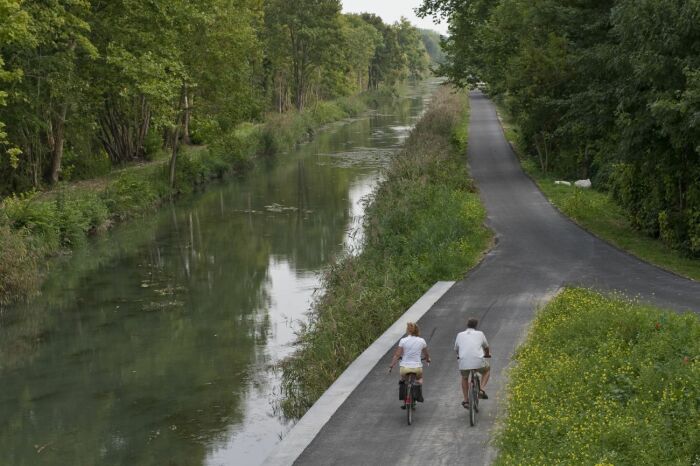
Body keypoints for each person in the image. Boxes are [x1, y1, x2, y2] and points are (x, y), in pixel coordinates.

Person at [388, 322, 431, 407]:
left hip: (405, 368)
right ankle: (417, 394)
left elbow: (397, 355)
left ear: (408, 330)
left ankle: (405, 399)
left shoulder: (403, 341)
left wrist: (391, 365)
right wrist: (428, 359)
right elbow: (426, 354)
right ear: (417, 331)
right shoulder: (421, 341)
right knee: (420, 378)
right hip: (417, 368)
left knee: (403, 380)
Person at [454, 317, 491, 408]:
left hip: (464, 362)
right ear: (476, 326)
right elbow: (486, 347)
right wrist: (487, 354)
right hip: (478, 361)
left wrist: (459, 355)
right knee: (487, 370)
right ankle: (481, 390)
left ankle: (466, 400)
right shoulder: (480, 334)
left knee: (464, 377)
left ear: (467, 325)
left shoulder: (459, 335)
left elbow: (456, 349)